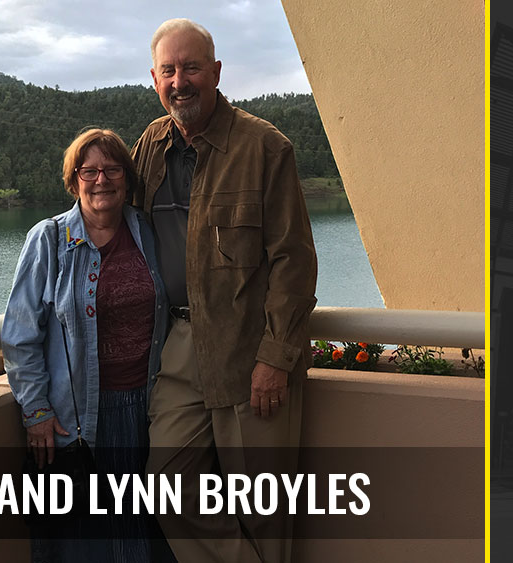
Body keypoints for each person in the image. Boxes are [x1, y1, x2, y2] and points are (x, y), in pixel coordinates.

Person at [130, 18, 318, 563]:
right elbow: (112, 215)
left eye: (191, 67)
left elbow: (294, 260)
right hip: (180, 346)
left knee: (264, 512)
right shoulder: (151, 145)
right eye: (169, 70)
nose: (180, 80)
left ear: (215, 72)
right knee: (165, 486)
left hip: (249, 351)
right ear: (154, 77)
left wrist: (276, 358)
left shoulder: (265, 147)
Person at [2, 128, 173, 562]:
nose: (102, 180)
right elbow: (20, 335)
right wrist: (36, 410)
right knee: (85, 538)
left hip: (147, 409)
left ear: (127, 178)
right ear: (74, 179)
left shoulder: (147, 232)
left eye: (112, 169)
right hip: (77, 418)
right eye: (89, 170)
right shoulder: (49, 239)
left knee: (139, 530)